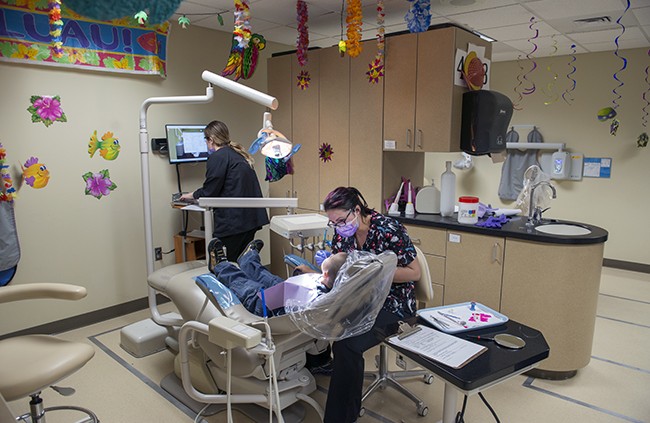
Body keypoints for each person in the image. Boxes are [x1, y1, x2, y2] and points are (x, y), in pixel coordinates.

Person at [303, 186, 421, 423]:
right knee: (316, 317)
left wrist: (377, 272)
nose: (338, 227)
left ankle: (341, 418)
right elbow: (340, 270)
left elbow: (414, 272)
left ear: (356, 210)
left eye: (341, 220)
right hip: (359, 300)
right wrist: (325, 271)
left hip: (394, 306)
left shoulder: (388, 229)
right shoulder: (343, 233)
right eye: (333, 223)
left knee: (347, 344)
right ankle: (319, 362)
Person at [180, 120, 269, 262]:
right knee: (242, 264)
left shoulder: (219, 156)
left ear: (211, 140)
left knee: (229, 266)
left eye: (206, 139)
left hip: (234, 224)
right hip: (249, 222)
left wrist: (192, 195)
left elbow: (210, 190)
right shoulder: (237, 155)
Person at [207, 237, 347, 316]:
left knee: (246, 285)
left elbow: (268, 298)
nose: (331, 254)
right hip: (286, 298)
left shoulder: (312, 295)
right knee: (271, 280)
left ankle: (220, 266)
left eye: (332, 256)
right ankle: (247, 259)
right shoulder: (338, 288)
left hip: (266, 307)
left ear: (326, 274)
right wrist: (311, 274)